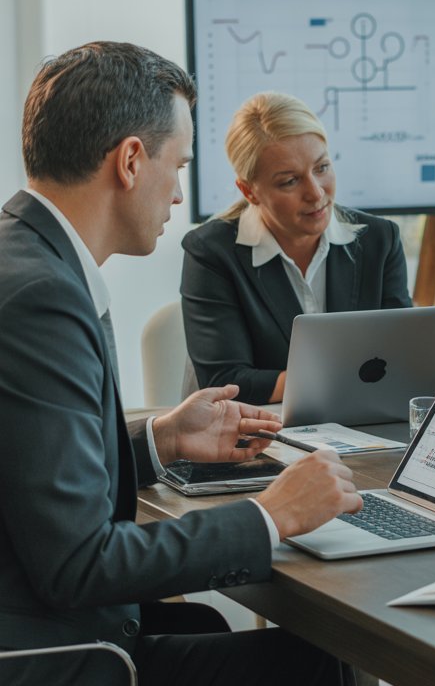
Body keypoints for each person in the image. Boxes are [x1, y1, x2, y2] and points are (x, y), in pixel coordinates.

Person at [0, 42, 363, 686]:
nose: (179, 192)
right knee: (316, 667)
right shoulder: (43, 299)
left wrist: (160, 440)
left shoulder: (24, 257)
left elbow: (30, 473)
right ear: (133, 161)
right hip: (52, 656)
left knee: (222, 633)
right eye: (180, 164)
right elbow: (80, 563)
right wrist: (270, 516)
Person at [181, 91, 412, 405]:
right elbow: (225, 381)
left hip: (363, 426)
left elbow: (404, 357)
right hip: (255, 434)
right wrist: (345, 378)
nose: (316, 194)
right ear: (249, 190)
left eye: (322, 168)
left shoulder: (379, 240)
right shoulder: (211, 252)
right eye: (290, 181)